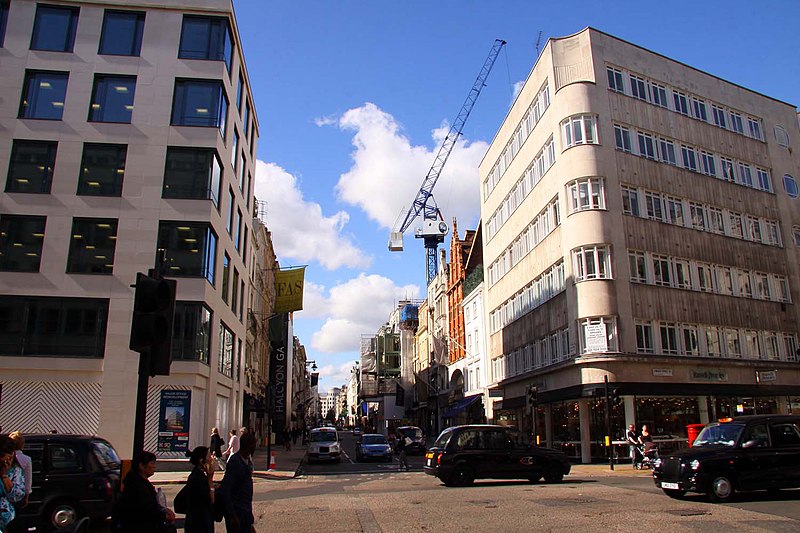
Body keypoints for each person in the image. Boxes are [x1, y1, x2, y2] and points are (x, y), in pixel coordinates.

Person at [116, 450, 176, 533]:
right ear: (141, 465)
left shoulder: (137, 482)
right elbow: (146, 509)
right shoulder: (138, 485)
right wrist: (163, 515)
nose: (154, 467)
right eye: (152, 463)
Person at [217, 432, 257, 533]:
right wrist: (232, 515)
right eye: (254, 445)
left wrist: (250, 517)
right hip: (237, 512)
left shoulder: (246, 460)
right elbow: (225, 490)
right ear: (250, 446)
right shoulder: (235, 462)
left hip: (245, 512)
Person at [182, 446, 215, 533]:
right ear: (201, 460)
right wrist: (210, 479)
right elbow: (211, 500)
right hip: (199, 523)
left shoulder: (198, 474)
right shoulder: (198, 477)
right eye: (209, 456)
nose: (211, 458)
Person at [0, 435, 26, 532]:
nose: (7, 462)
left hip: (7, 518)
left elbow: (17, 496)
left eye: (10, 458)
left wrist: (4, 476)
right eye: (5, 458)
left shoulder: (15, 471)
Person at [8, 432, 31, 508]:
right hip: (18, 493)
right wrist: (27, 496)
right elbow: (28, 479)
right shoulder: (27, 459)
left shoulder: (4, 457)